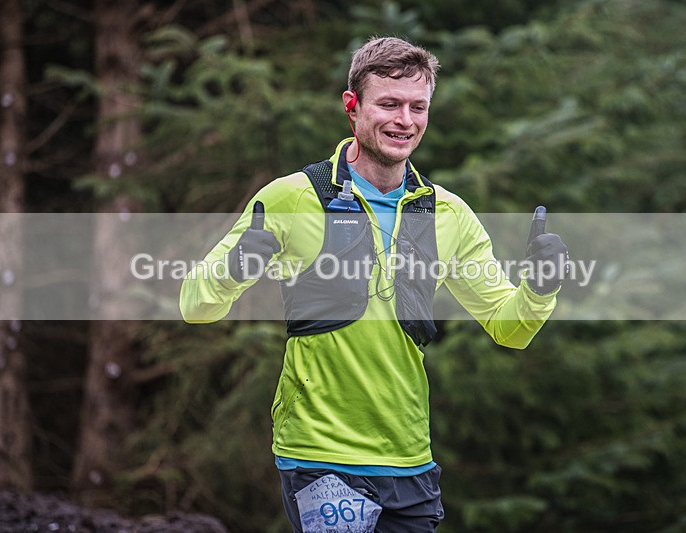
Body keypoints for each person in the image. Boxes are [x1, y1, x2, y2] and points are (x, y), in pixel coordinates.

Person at [180, 36, 568, 533]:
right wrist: (234, 269)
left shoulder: (448, 213)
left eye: (417, 107)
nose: (404, 120)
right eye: (389, 104)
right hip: (320, 457)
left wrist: (540, 288)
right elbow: (195, 304)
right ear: (353, 107)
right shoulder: (292, 198)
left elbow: (509, 328)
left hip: (410, 460)